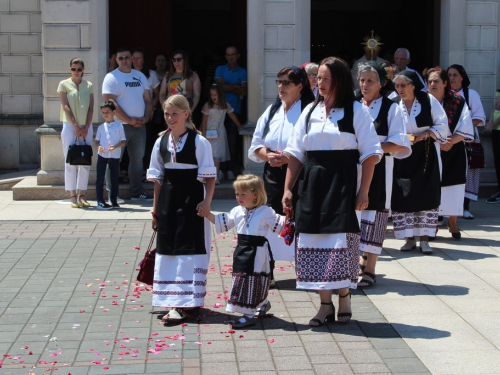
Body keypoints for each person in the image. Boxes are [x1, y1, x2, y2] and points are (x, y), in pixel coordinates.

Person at [283, 57, 383, 326]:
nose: (320, 83)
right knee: (314, 243)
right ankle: (324, 305)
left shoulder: (355, 111)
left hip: (343, 184)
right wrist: (288, 189)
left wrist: (364, 191)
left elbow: (371, 154)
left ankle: (345, 299)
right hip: (312, 185)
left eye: (326, 78)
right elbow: (295, 154)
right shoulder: (309, 112)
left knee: (340, 244)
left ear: (339, 80)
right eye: (318, 78)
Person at [147, 95, 216, 325]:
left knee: (190, 249)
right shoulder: (161, 141)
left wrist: (206, 203)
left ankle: (189, 305)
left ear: (186, 114)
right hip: (168, 200)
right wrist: (155, 210)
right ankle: (175, 301)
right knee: (169, 249)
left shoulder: (199, 142)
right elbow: (158, 179)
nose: (170, 118)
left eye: (174, 113)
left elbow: (209, 177)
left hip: (192, 200)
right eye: (167, 113)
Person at [248, 66, 315, 278]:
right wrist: (267, 155)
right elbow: (255, 145)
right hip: (272, 175)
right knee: (272, 220)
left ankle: (307, 269)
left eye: (287, 82)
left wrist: (288, 157)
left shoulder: (311, 111)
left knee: (302, 220)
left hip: (301, 173)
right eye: (279, 81)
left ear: (300, 86)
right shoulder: (271, 111)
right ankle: (270, 270)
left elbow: (313, 145)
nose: (281, 86)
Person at [200, 174, 286, 329]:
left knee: (253, 280)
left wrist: (294, 220)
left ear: (255, 194)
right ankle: (262, 304)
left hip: (258, 252)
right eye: (237, 194)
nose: (238, 197)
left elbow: (281, 226)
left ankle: (248, 315)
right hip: (242, 249)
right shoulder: (237, 210)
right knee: (242, 279)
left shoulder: (265, 211)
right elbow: (223, 223)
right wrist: (208, 214)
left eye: (242, 194)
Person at [356, 62, 411, 288]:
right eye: (362, 80)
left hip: (379, 168)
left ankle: (370, 269)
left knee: (374, 214)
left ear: (381, 83)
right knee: (354, 216)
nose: (365, 84)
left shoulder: (391, 108)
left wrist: (373, 149)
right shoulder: (352, 105)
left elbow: (399, 142)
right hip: (352, 168)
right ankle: (356, 259)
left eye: (370, 80)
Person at [391, 71, 449, 255]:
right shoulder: (393, 103)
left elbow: (442, 125)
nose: (400, 89)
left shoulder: (428, 100)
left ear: (413, 85)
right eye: (397, 85)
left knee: (425, 194)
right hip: (401, 154)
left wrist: (425, 134)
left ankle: (424, 239)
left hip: (425, 154)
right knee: (404, 195)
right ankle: (408, 238)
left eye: (404, 85)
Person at [426, 67, 474, 239]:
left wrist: (450, 141)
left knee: (454, 186)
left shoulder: (457, 101)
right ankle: (430, 225)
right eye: (429, 81)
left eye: (436, 81)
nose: (432, 84)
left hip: (453, 149)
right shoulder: (422, 101)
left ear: (445, 83)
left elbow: (466, 125)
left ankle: (452, 221)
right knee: (430, 188)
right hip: (429, 149)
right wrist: (438, 142)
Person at [102, 47, 153, 201]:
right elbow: (110, 101)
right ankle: (113, 194)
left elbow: (148, 99)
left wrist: (146, 117)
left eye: (127, 57)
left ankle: (137, 193)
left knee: (138, 160)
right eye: (121, 58)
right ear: (116, 60)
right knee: (114, 159)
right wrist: (129, 119)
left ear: (132, 59)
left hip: (139, 126)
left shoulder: (140, 76)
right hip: (119, 125)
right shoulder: (111, 77)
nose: (124, 60)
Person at [447, 64, 486, 219]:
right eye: (449, 75)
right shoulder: (445, 95)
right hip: (449, 141)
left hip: (467, 142)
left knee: (469, 175)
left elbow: (479, 117)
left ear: (462, 77)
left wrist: (464, 129)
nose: (452, 78)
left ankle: (465, 207)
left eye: (455, 75)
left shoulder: (471, 95)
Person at [57, 57, 94, 208]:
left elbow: (91, 107)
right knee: (70, 160)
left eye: (79, 69)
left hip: (86, 125)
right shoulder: (63, 84)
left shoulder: (88, 85)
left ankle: (83, 194)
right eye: (74, 69)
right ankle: (72, 195)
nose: (76, 72)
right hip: (69, 125)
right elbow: (65, 106)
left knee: (85, 161)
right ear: (70, 69)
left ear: (83, 70)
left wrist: (86, 127)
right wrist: (75, 126)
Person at [215, 46, 248, 180]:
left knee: (232, 142)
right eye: (228, 55)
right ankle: (221, 170)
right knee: (220, 142)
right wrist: (236, 86)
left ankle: (231, 169)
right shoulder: (220, 69)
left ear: (238, 55)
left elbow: (244, 91)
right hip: (219, 111)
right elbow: (218, 89)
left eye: (233, 54)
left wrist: (226, 86)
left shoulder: (244, 72)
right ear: (225, 56)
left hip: (236, 111)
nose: (231, 57)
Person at [201, 84, 242, 185]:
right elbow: (204, 121)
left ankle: (215, 177)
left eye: (215, 94)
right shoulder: (207, 106)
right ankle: (205, 176)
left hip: (219, 133)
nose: (213, 97)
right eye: (212, 95)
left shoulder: (225, 105)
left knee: (217, 155)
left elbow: (232, 115)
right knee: (207, 155)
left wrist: (239, 125)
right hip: (208, 132)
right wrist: (203, 134)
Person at [131, 47, 161, 171]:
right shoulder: (127, 74)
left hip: (147, 113)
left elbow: (157, 94)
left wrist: (152, 108)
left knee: (147, 141)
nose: (135, 61)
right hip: (131, 113)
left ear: (144, 60)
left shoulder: (152, 75)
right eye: (133, 58)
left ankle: (146, 169)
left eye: (138, 58)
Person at [95, 101, 126, 210]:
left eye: (107, 112)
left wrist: (116, 147)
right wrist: (99, 147)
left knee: (114, 179)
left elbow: (123, 141)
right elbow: (97, 142)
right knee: (100, 178)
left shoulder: (119, 126)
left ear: (113, 112)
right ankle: (100, 200)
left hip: (114, 155)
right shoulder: (101, 127)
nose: (105, 114)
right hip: (102, 155)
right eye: (103, 112)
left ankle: (113, 200)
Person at [485, 87, 500, 203]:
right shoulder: (498, 91)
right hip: (496, 131)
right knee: (497, 161)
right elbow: (495, 108)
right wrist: (489, 123)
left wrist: (493, 124)